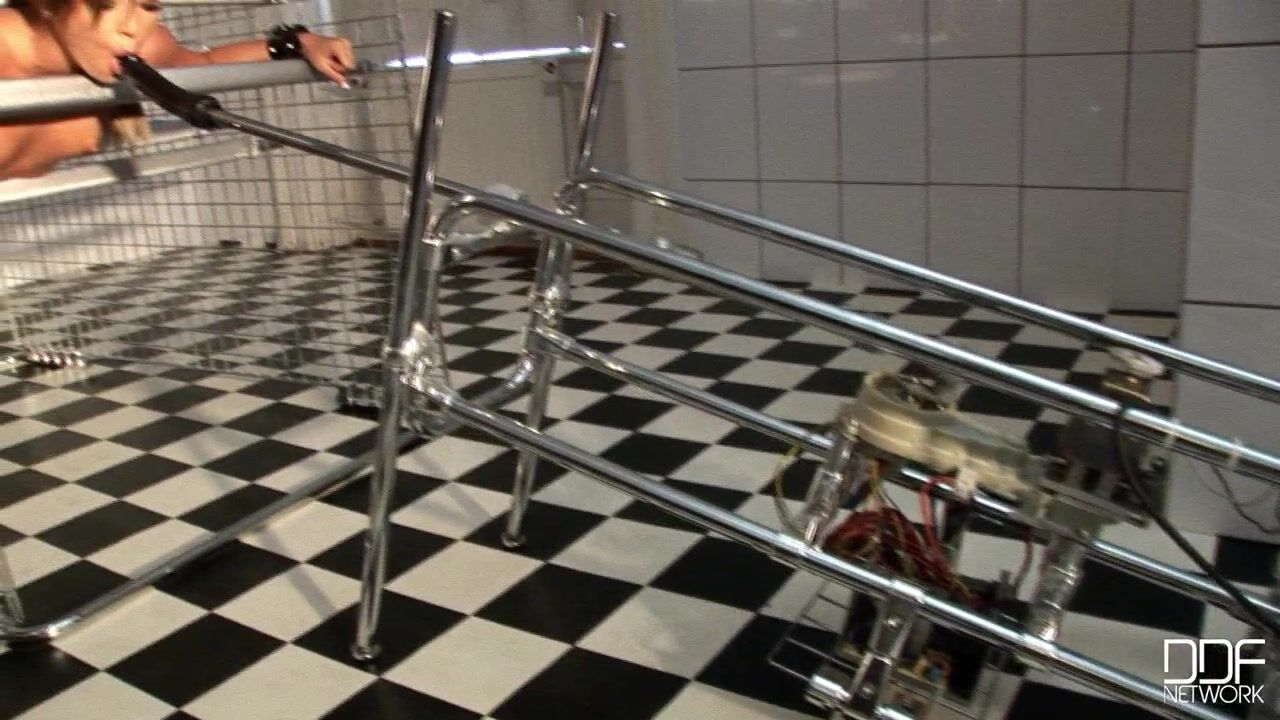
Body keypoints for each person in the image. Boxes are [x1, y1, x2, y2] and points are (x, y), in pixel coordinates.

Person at [0, 0, 356, 178]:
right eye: (110, 2)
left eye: (148, 4)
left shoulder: (137, 45)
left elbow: (202, 66)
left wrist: (298, 43)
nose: (131, 27)